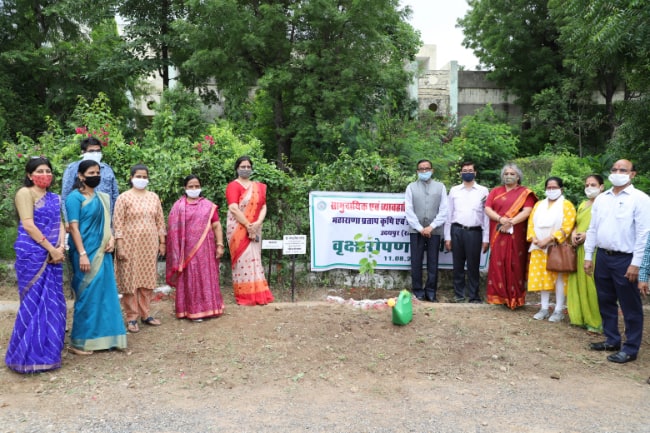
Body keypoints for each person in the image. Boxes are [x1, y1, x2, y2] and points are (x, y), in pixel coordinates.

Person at [584, 159, 650, 364]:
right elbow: (593, 229)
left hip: (626, 259)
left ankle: (630, 348)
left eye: (623, 170)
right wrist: (588, 256)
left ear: (633, 174)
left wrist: (636, 263)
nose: (617, 172)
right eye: (614, 169)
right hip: (603, 256)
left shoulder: (640, 199)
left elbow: (644, 233)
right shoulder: (602, 198)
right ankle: (612, 339)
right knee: (605, 300)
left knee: (630, 305)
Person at [5, 157, 67, 373]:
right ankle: (27, 354)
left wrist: (60, 248)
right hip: (32, 253)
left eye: (48, 171)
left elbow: (60, 223)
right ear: (30, 175)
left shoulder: (54, 198)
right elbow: (28, 225)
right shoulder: (25, 193)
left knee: (53, 302)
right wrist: (50, 249)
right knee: (33, 303)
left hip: (54, 253)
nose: (45, 174)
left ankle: (49, 350)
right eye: (40, 171)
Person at [65, 160, 127, 355]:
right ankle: (80, 342)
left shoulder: (102, 197)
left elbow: (106, 223)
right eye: (91, 172)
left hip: (103, 251)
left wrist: (111, 240)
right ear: (81, 176)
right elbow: (73, 228)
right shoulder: (73, 198)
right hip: (84, 252)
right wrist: (82, 254)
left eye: (98, 172)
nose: (96, 175)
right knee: (87, 295)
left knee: (106, 294)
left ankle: (108, 337)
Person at [114, 164, 166, 333]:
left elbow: (160, 221)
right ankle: (131, 317)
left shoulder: (154, 197)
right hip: (129, 245)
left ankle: (146, 314)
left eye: (144, 177)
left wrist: (162, 242)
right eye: (138, 176)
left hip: (149, 245)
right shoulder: (124, 198)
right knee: (130, 281)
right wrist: (119, 246)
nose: (142, 179)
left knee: (147, 281)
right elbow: (118, 223)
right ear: (131, 177)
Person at [167, 175, 225, 320]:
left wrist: (220, 245)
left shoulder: (208, 205)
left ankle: (210, 308)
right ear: (185, 188)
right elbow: (173, 230)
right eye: (190, 186)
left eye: (196, 186)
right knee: (190, 279)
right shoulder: (178, 206)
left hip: (206, 250)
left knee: (206, 277)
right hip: (185, 252)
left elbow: (216, 226)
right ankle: (190, 310)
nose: (194, 189)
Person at [484, 163, 537, 309]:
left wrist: (511, 222)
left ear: (518, 176)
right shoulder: (495, 191)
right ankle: (498, 297)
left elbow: (527, 211)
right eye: (506, 174)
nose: (508, 176)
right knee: (497, 262)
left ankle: (515, 298)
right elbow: (487, 208)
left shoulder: (525, 192)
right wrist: (501, 220)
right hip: (498, 232)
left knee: (515, 264)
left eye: (512, 174)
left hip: (516, 235)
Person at [526, 177, 576, 322]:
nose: (551, 190)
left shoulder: (567, 205)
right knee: (543, 277)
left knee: (559, 278)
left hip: (557, 248)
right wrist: (535, 239)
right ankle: (544, 308)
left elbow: (567, 227)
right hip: (538, 247)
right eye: (549, 187)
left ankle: (559, 309)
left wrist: (548, 240)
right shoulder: (538, 205)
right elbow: (530, 224)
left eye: (554, 187)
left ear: (561, 189)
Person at [226, 156, 274, 306]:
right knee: (243, 261)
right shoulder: (233, 186)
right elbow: (233, 208)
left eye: (248, 166)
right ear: (237, 168)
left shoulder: (258, 186)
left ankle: (259, 294)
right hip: (238, 229)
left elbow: (264, 206)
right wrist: (248, 225)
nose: (246, 169)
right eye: (243, 166)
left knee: (255, 260)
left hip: (255, 227)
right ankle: (245, 296)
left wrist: (257, 223)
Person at [443, 161, 489, 303]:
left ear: (475, 173)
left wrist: (486, 238)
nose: (467, 172)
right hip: (457, 230)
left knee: (473, 266)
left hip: (474, 232)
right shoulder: (454, 190)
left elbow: (486, 216)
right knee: (457, 265)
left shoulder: (483, 191)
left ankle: (474, 296)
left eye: (470, 170)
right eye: (464, 170)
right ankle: (459, 295)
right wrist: (447, 236)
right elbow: (449, 214)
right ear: (461, 173)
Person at [405, 159, 448, 302]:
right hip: (416, 231)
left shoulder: (440, 187)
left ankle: (431, 292)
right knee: (416, 262)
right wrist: (420, 228)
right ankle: (418, 291)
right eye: (421, 169)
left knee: (433, 262)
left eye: (427, 168)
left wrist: (431, 226)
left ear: (432, 170)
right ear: (417, 171)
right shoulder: (411, 187)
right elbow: (409, 210)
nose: (424, 171)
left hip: (434, 231)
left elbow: (444, 210)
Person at [566, 175, 604, 333]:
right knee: (578, 282)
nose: (589, 187)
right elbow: (575, 223)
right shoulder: (583, 204)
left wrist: (588, 235)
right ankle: (579, 317)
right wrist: (574, 233)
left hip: (594, 249)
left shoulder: (605, 204)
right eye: (587, 184)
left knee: (592, 284)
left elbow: (605, 225)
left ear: (601, 186)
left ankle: (595, 321)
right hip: (579, 248)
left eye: (593, 184)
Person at [62, 137, 119, 226]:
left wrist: (115, 220)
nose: (95, 154)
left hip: (105, 220)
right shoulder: (72, 169)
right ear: (83, 152)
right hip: (82, 221)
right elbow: (65, 195)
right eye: (91, 151)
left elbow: (115, 196)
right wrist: (68, 220)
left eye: (98, 151)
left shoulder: (107, 169)